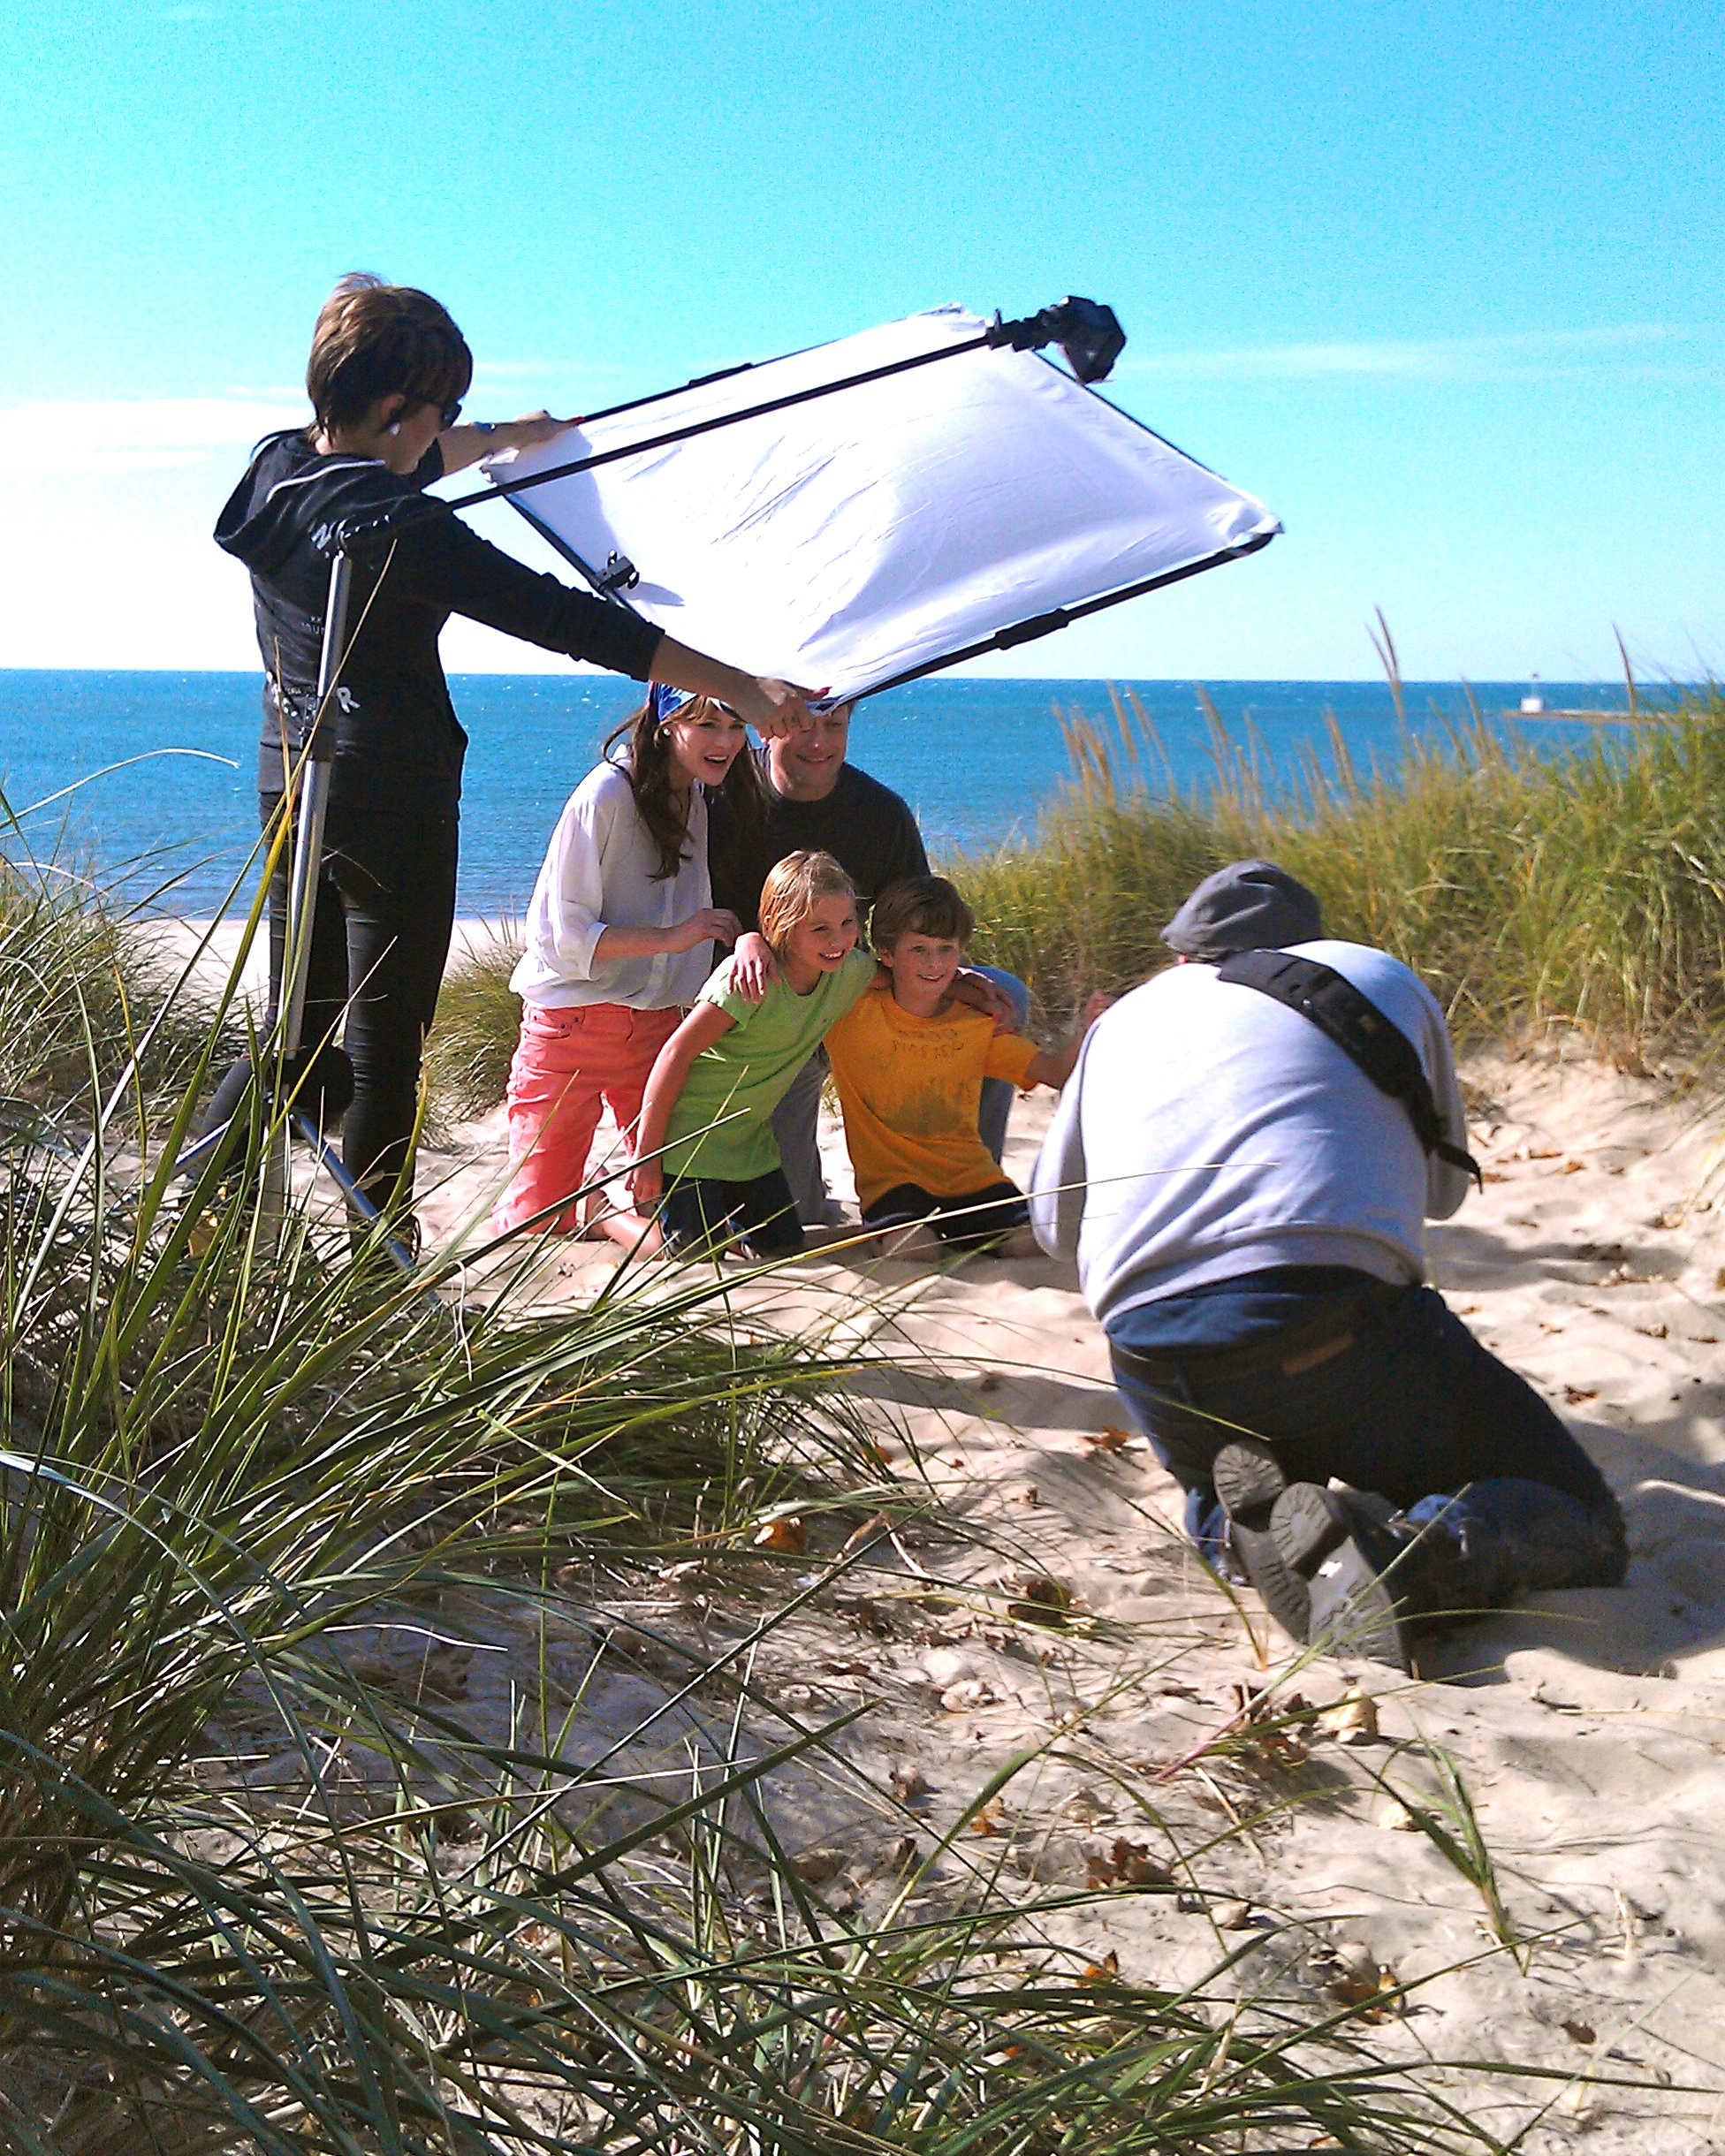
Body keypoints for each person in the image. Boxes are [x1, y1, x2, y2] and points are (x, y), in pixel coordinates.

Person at [206, 272, 813, 1240]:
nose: (444, 427)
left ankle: (203, 1205)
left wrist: (497, 436)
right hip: (393, 800)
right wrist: (742, 690)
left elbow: (399, 460)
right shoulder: (398, 529)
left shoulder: (275, 468)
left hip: (291, 783)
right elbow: (564, 618)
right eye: (441, 410)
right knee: (383, 1041)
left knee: (298, 1035)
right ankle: (376, 1254)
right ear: (399, 409)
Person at [1030, 859, 1628, 1671]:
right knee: (1583, 1515)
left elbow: (1055, 1228)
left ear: (1183, 957)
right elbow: (1445, 1193)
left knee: (1229, 1481)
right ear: (1310, 942)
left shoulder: (1124, 1020)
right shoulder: (1375, 977)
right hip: (1339, 1334)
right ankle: (1410, 1563)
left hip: (1157, 1360)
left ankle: (1247, 1539)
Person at [710, 700, 1030, 1226]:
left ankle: (969, 1184)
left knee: (1003, 995)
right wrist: (749, 939)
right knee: (796, 1218)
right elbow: (703, 912)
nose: (819, 742)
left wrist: (955, 979)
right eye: (804, 726)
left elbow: (920, 923)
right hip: (771, 1007)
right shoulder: (724, 800)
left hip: (858, 996)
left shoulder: (881, 812)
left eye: (834, 725)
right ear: (769, 730)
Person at [487, 685, 765, 1248]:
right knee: (530, 1224)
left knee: (688, 1216)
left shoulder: (696, 797)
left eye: (737, 727)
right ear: (666, 724)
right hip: (572, 1027)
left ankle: (602, 1202)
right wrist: (674, 937)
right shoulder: (606, 794)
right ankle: (595, 1206)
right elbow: (558, 936)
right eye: (707, 725)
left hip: (656, 1028)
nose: (727, 742)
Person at [825, 875, 1109, 1256]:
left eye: (946, 949)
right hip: (893, 1185)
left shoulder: (975, 1026)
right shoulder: (851, 1012)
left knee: (1030, 1244)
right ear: (887, 953)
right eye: (919, 949)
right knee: (916, 1251)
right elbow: (814, 967)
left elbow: (1056, 1072)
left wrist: (1089, 1030)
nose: (934, 963)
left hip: (971, 1179)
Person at [630, 852, 877, 1260]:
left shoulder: (848, 970)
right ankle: (606, 1216)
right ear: (781, 928)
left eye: (847, 924)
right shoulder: (747, 982)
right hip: (685, 1143)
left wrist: (966, 985)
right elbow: (675, 1053)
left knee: (784, 1248)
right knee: (690, 1256)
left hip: (749, 1148)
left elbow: (898, 980)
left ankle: (723, 1222)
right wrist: (646, 1157)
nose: (838, 940)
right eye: (820, 929)